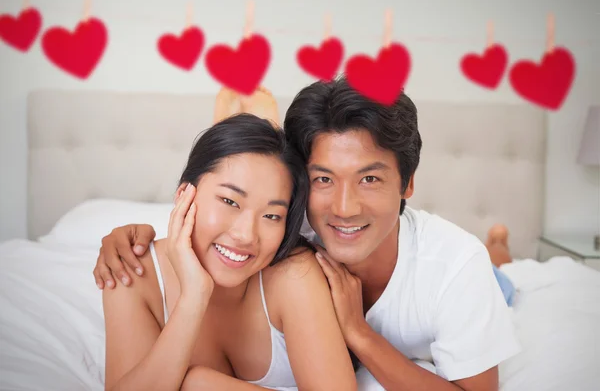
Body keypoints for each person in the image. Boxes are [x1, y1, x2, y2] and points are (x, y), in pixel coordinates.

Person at [95, 77, 520, 390]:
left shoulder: (456, 266)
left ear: (408, 184)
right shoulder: (282, 225)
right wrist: (136, 236)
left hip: (474, 280)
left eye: (369, 179)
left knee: (502, 278)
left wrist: (359, 333)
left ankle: (499, 245)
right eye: (322, 179)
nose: (343, 207)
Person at [101, 114, 357, 390]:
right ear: (184, 194)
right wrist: (193, 298)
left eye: (271, 216)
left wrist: (199, 384)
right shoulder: (131, 270)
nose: (245, 235)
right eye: (229, 201)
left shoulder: (293, 273)